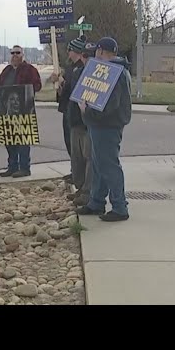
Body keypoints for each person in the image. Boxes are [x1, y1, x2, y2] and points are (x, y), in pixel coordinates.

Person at [76, 37, 132, 222]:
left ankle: (119, 206)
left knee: (108, 165)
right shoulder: (116, 70)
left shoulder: (113, 72)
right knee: (99, 165)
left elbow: (110, 106)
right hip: (100, 125)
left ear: (100, 51)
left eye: (97, 52)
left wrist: (87, 111)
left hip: (107, 126)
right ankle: (96, 202)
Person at [0, 45, 42, 178]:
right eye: (13, 53)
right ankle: (12, 167)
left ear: (22, 55)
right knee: (10, 140)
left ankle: (24, 168)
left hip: (23, 112)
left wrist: (25, 90)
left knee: (23, 141)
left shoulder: (30, 70)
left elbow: (37, 86)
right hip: (7, 112)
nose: (15, 55)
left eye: (17, 53)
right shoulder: (7, 70)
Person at [50, 36, 88, 182]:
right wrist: (59, 86)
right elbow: (64, 91)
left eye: (70, 50)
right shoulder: (71, 68)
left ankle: (79, 175)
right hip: (68, 110)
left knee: (77, 147)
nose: (68, 53)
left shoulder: (80, 68)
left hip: (76, 113)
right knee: (69, 143)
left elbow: (74, 89)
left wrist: (61, 82)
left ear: (77, 51)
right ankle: (75, 171)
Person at [66, 40, 94, 208]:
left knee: (89, 158)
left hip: (88, 124)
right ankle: (80, 187)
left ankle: (88, 191)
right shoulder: (77, 72)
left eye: (90, 55)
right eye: (85, 55)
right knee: (77, 159)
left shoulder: (99, 75)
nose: (86, 59)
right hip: (75, 122)